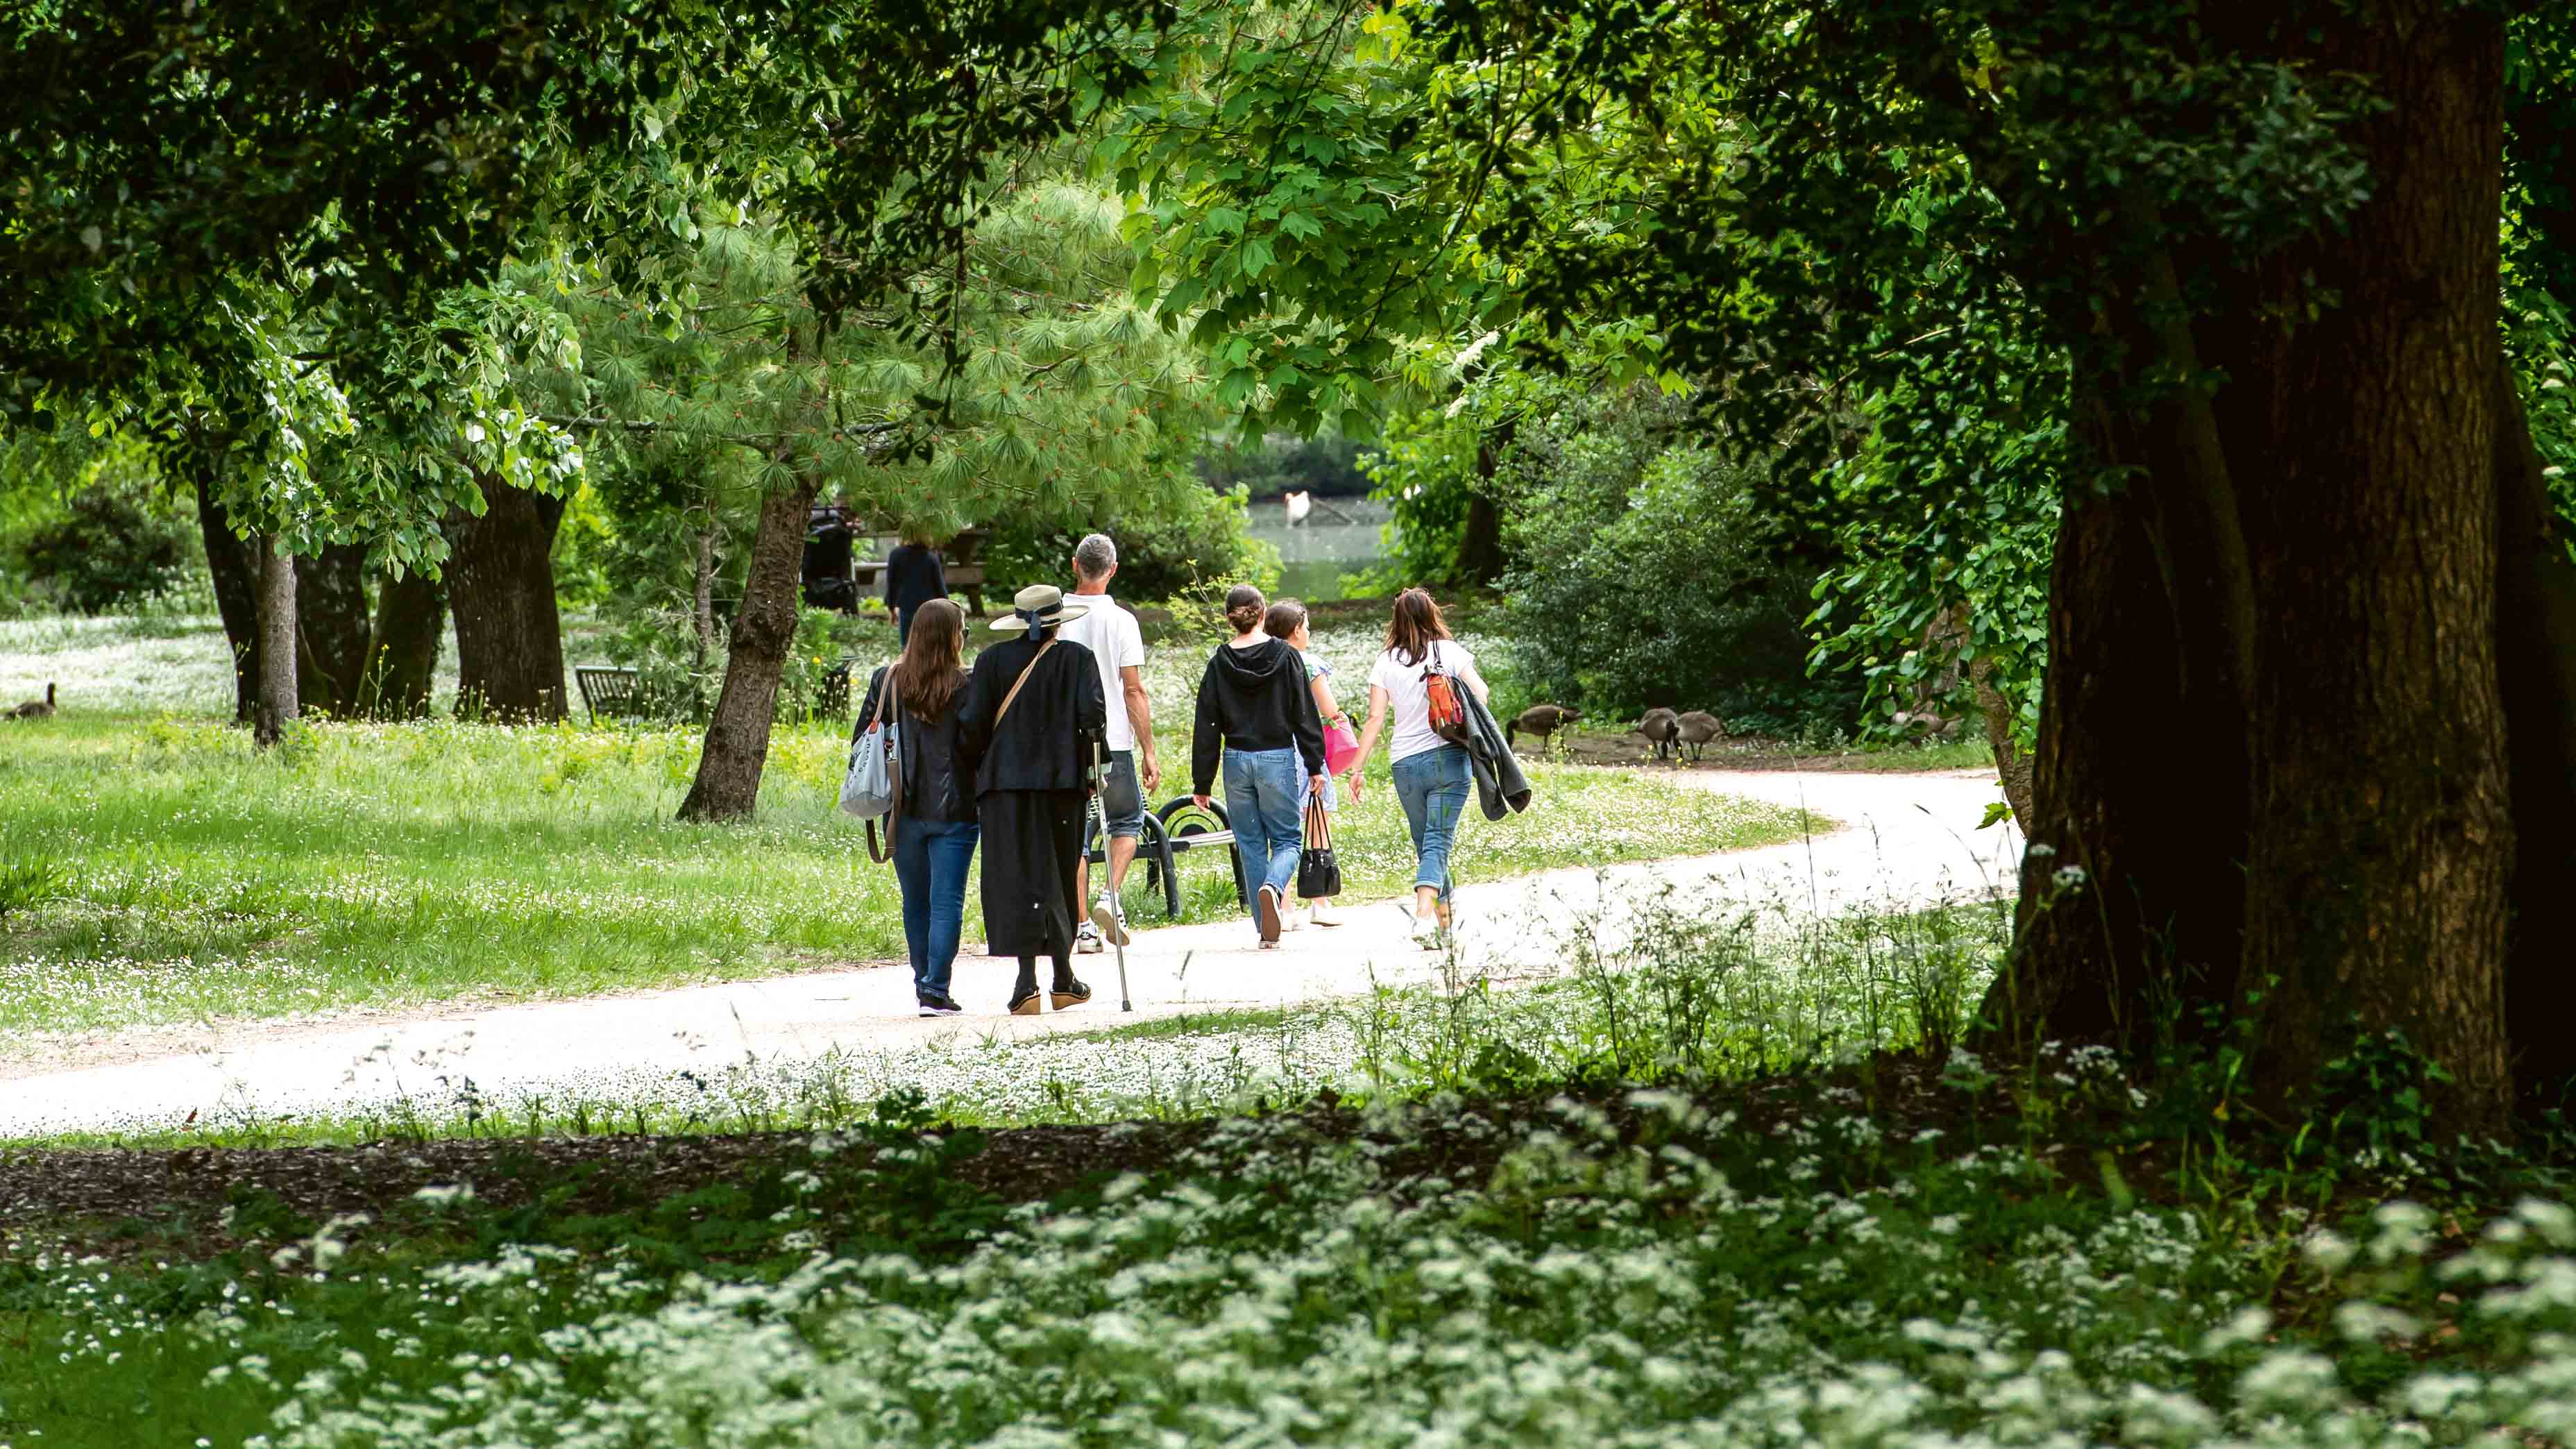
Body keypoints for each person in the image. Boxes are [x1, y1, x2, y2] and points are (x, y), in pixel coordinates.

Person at [955, 584, 1108, 1014]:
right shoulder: (1078, 660)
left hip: (1004, 787)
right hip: (1062, 785)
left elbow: (972, 726)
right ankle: (1063, 977)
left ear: (1022, 621)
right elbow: (1093, 720)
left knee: (1017, 876)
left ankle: (1026, 983)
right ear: (1059, 620)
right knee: (1059, 871)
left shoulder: (990, 661)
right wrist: (1095, 767)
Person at [854, 598, 978, 1016]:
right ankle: (935, 989)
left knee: (915, 901)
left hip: (900, 809)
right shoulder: (967, 685)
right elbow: (976, 745)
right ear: (952, 635)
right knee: (947, 902)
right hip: (957, 808)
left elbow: (862, 740)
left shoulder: (887, 679)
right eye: (963, 628)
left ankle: (923, 984)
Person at [1350, 588, 1490, 949]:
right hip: (1448, 760)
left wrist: (1358, 768)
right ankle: (1424, 918)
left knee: (1427, 843)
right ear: (1432, 615)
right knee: (1437, 843)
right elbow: (1482, 693)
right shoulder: (1450, 652)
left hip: (1405, 765)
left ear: (1396, 619)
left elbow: (1375, 717)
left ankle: (1445, 932)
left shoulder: (1385, 662)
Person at [1190, 584, 1328, 948]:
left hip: (1236, 761)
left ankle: (1265, 932)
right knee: (1287, 840)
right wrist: (1315, 764)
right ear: (1263, 613)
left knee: (1251, 844)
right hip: (1277, 757)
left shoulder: (1219, 662)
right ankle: (1273, 887)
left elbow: (1207, 724)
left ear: (1229, 618)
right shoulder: (1285, 656)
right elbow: (1304, 713)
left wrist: (1202, 782)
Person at [1055, 533, 1159, 955]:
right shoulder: (1123, 621)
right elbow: (1133, 690)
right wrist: (1148, 749)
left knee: (1075, 834)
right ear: (1112, 570)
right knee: (1128, 820)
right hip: (1113, 737)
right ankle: (1110, 897)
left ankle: (1082, 927)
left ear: (1075, 565)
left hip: (1065, 741)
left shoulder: (1055, 615)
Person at [1263, 597, 1348, 929]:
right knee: (1316, 826)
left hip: (1275, 751)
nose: (1309, 631)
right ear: (1296, 630)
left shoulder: (1262, 661)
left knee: (1282, 832)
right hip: (1307, 752)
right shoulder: (1310, 664)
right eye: (1307, 626)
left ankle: (1284, 909)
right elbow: (1329, 709)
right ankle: (1319, 903)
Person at [882, 527, 948, 645]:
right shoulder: (931, 557)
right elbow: (940, 587)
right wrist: (948, 608)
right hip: (928, 609)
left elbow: (891, 584)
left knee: (907, 646)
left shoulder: (896, 554)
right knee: (928, 645)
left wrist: (891, 608)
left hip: (906, 607)